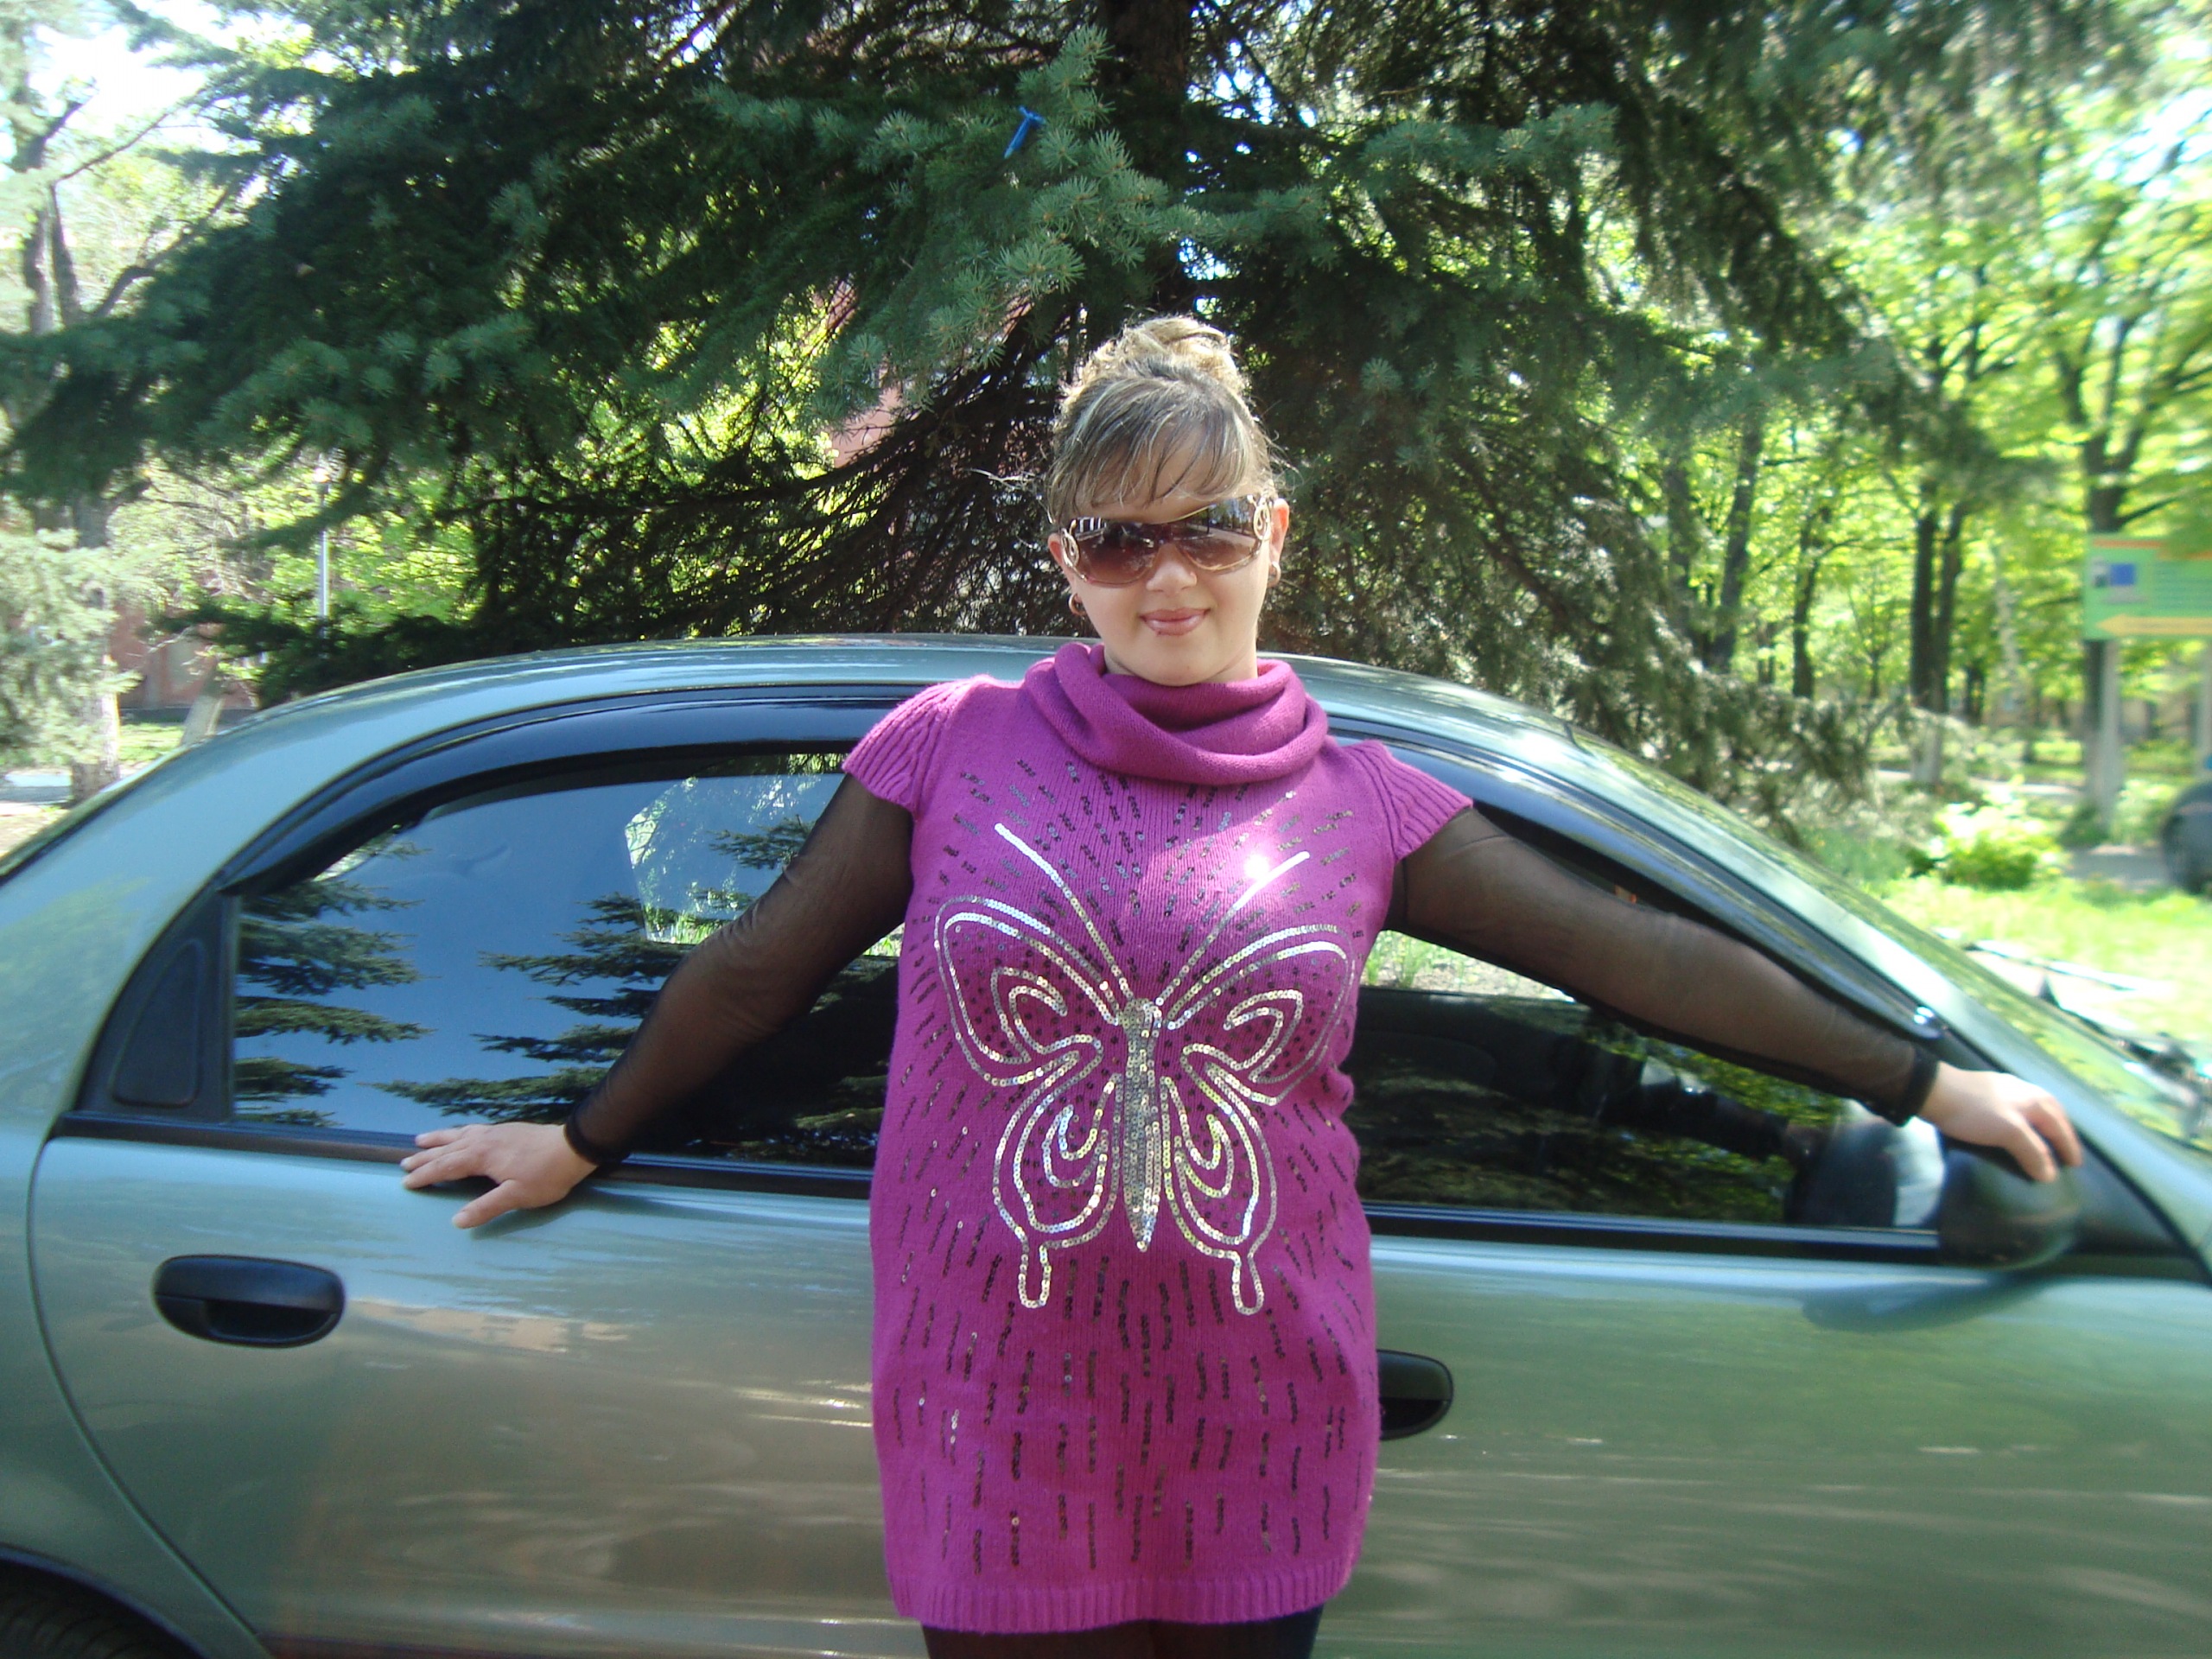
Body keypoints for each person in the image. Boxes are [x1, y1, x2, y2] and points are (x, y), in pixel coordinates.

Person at [398, 317, 2082, 1659]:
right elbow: (761, 969)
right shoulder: (951, 750)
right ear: (1063, 560)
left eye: (1208, 527)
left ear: (1271, 533)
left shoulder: (1363, 802)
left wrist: (1926, 1083)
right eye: (1116, 541)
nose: (1170, 580)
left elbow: (1633, 954)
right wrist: (582, 1138)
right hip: (996, 1402)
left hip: (1258, 1405)